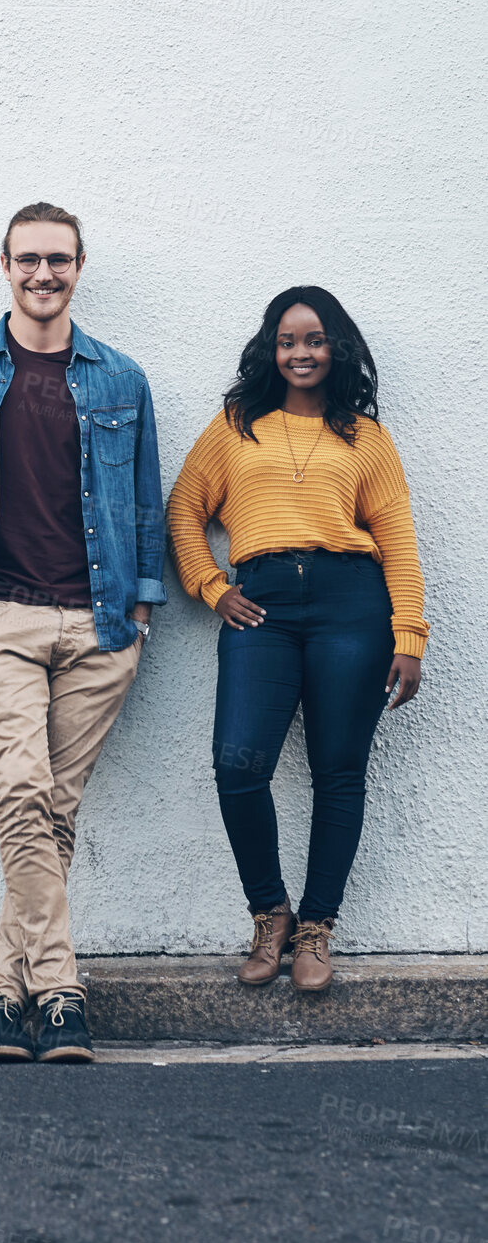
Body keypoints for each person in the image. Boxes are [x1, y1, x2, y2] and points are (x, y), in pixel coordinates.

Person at [0, 203, 166, 1063]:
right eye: (28, 259)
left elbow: (142, 502)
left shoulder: (121, 380)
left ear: (80, 264)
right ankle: (59, 990)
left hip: (99, 623)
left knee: (51, 812)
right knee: (21, 792)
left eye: (57, 259)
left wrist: (136, 616)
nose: (42, 274)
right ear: (4, 264)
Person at [167, 286, 428, 992]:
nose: (300, 352)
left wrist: (408, 631)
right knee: (237, 762)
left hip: (352, 605)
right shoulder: (234, 425)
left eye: (314, 339)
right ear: (269, 349)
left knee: (338, 771)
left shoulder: (364, 437)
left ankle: (316, 927)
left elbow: (397, 540)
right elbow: (183, 509)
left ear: (335, 347)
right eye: (287, 340)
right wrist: (211, 586)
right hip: (265, 604)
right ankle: (269, 911)